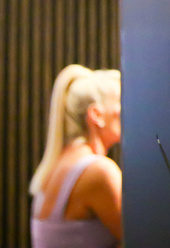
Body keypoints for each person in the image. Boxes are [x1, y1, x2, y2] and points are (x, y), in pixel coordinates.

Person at [29, 64, 122, 248]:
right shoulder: (99, 172)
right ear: (97, 115)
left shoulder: (55, 166)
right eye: (121, 102)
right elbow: (145, 238)